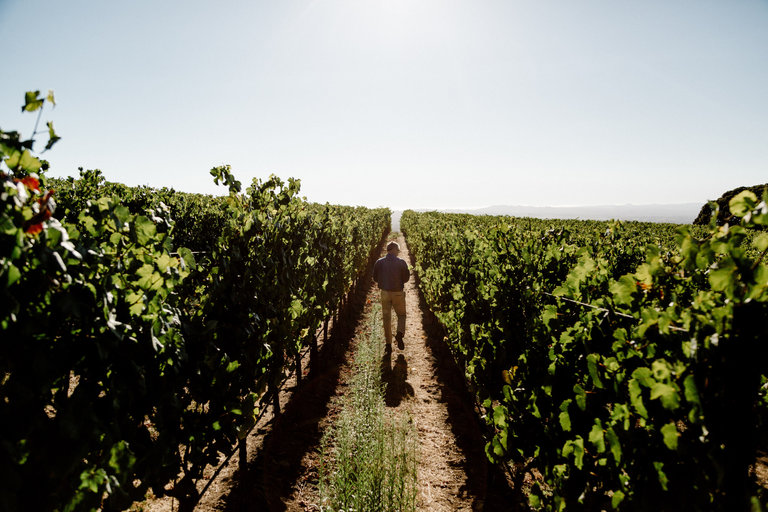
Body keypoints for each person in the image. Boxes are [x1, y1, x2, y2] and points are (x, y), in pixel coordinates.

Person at [373, 241, 410, 348]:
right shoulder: (402, 262)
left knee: (386, 318)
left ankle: (388, 344)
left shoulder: (379, 262)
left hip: (384, 293)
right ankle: (399, 333)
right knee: (401, 315)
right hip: (398, 293)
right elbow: (406, 279)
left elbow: (375, 278)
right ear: (393, 249)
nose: (398, 252)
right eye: (398, 250)